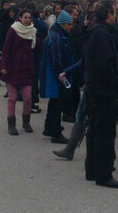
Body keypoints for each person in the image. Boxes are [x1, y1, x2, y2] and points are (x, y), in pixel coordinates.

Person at [83, 0, 118, 188]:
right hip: (103, 89)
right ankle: (103, 174)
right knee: (105, 133)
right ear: (108, 14)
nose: (116, 16)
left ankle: (92, 169)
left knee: (95, 129)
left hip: (94, 86)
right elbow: (105, 64)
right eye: (114, 12)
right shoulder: (101, 34)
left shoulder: (95, 30)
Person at [0, 9, 37, 135]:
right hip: (12, 68)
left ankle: (26, 122)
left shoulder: (32, 31)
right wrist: (3, 66)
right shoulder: (13, 30)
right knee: (13, 97)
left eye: (29, 17)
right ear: (20, 18)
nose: (27, 20)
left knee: (27, 97)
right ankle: (11, 124)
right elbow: (6, 49)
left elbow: (36, 48)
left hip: (26, 68)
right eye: (25, 17)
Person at [40, 11, 74, 144]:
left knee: (54, 103)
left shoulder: (57, 35)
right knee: (57, 104)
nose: (71, 26)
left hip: (54, 76)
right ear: (62, 24)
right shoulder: (56, 38)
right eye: (69, 24)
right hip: (56, 76)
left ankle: (49, 127)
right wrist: (62, 76)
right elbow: (56, 59)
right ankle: (55, 133)